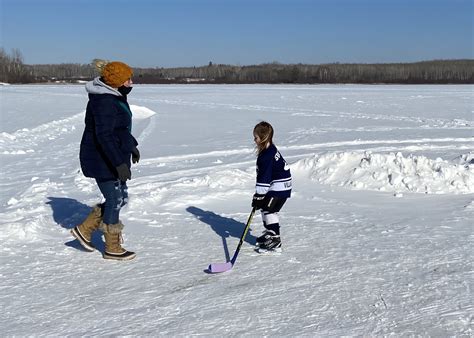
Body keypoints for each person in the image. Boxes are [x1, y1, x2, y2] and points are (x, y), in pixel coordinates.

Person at [71, 60, 140, 261]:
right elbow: (105, 136)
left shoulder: (114, 97)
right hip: (103, 159)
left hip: (112, 155)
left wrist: (131, 146)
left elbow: (119, 129)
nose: (131, 82)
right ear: (117, 81)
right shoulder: (104, 101)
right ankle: (112, 247)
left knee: (120, 198)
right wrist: (118, 163)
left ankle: (84, 229)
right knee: (115, 199)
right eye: (128, 79)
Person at [251, 121, 292, 253]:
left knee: (268, 210)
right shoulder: (269, 149)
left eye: (256, 137)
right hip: (280, 185)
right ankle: (272, 236)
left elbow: (264, 177)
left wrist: (259, 195)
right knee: (265, 208)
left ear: (263, 138)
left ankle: (274, 240)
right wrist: (260, 197)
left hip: (279, 187)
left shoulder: (266, 155)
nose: (254, 140)